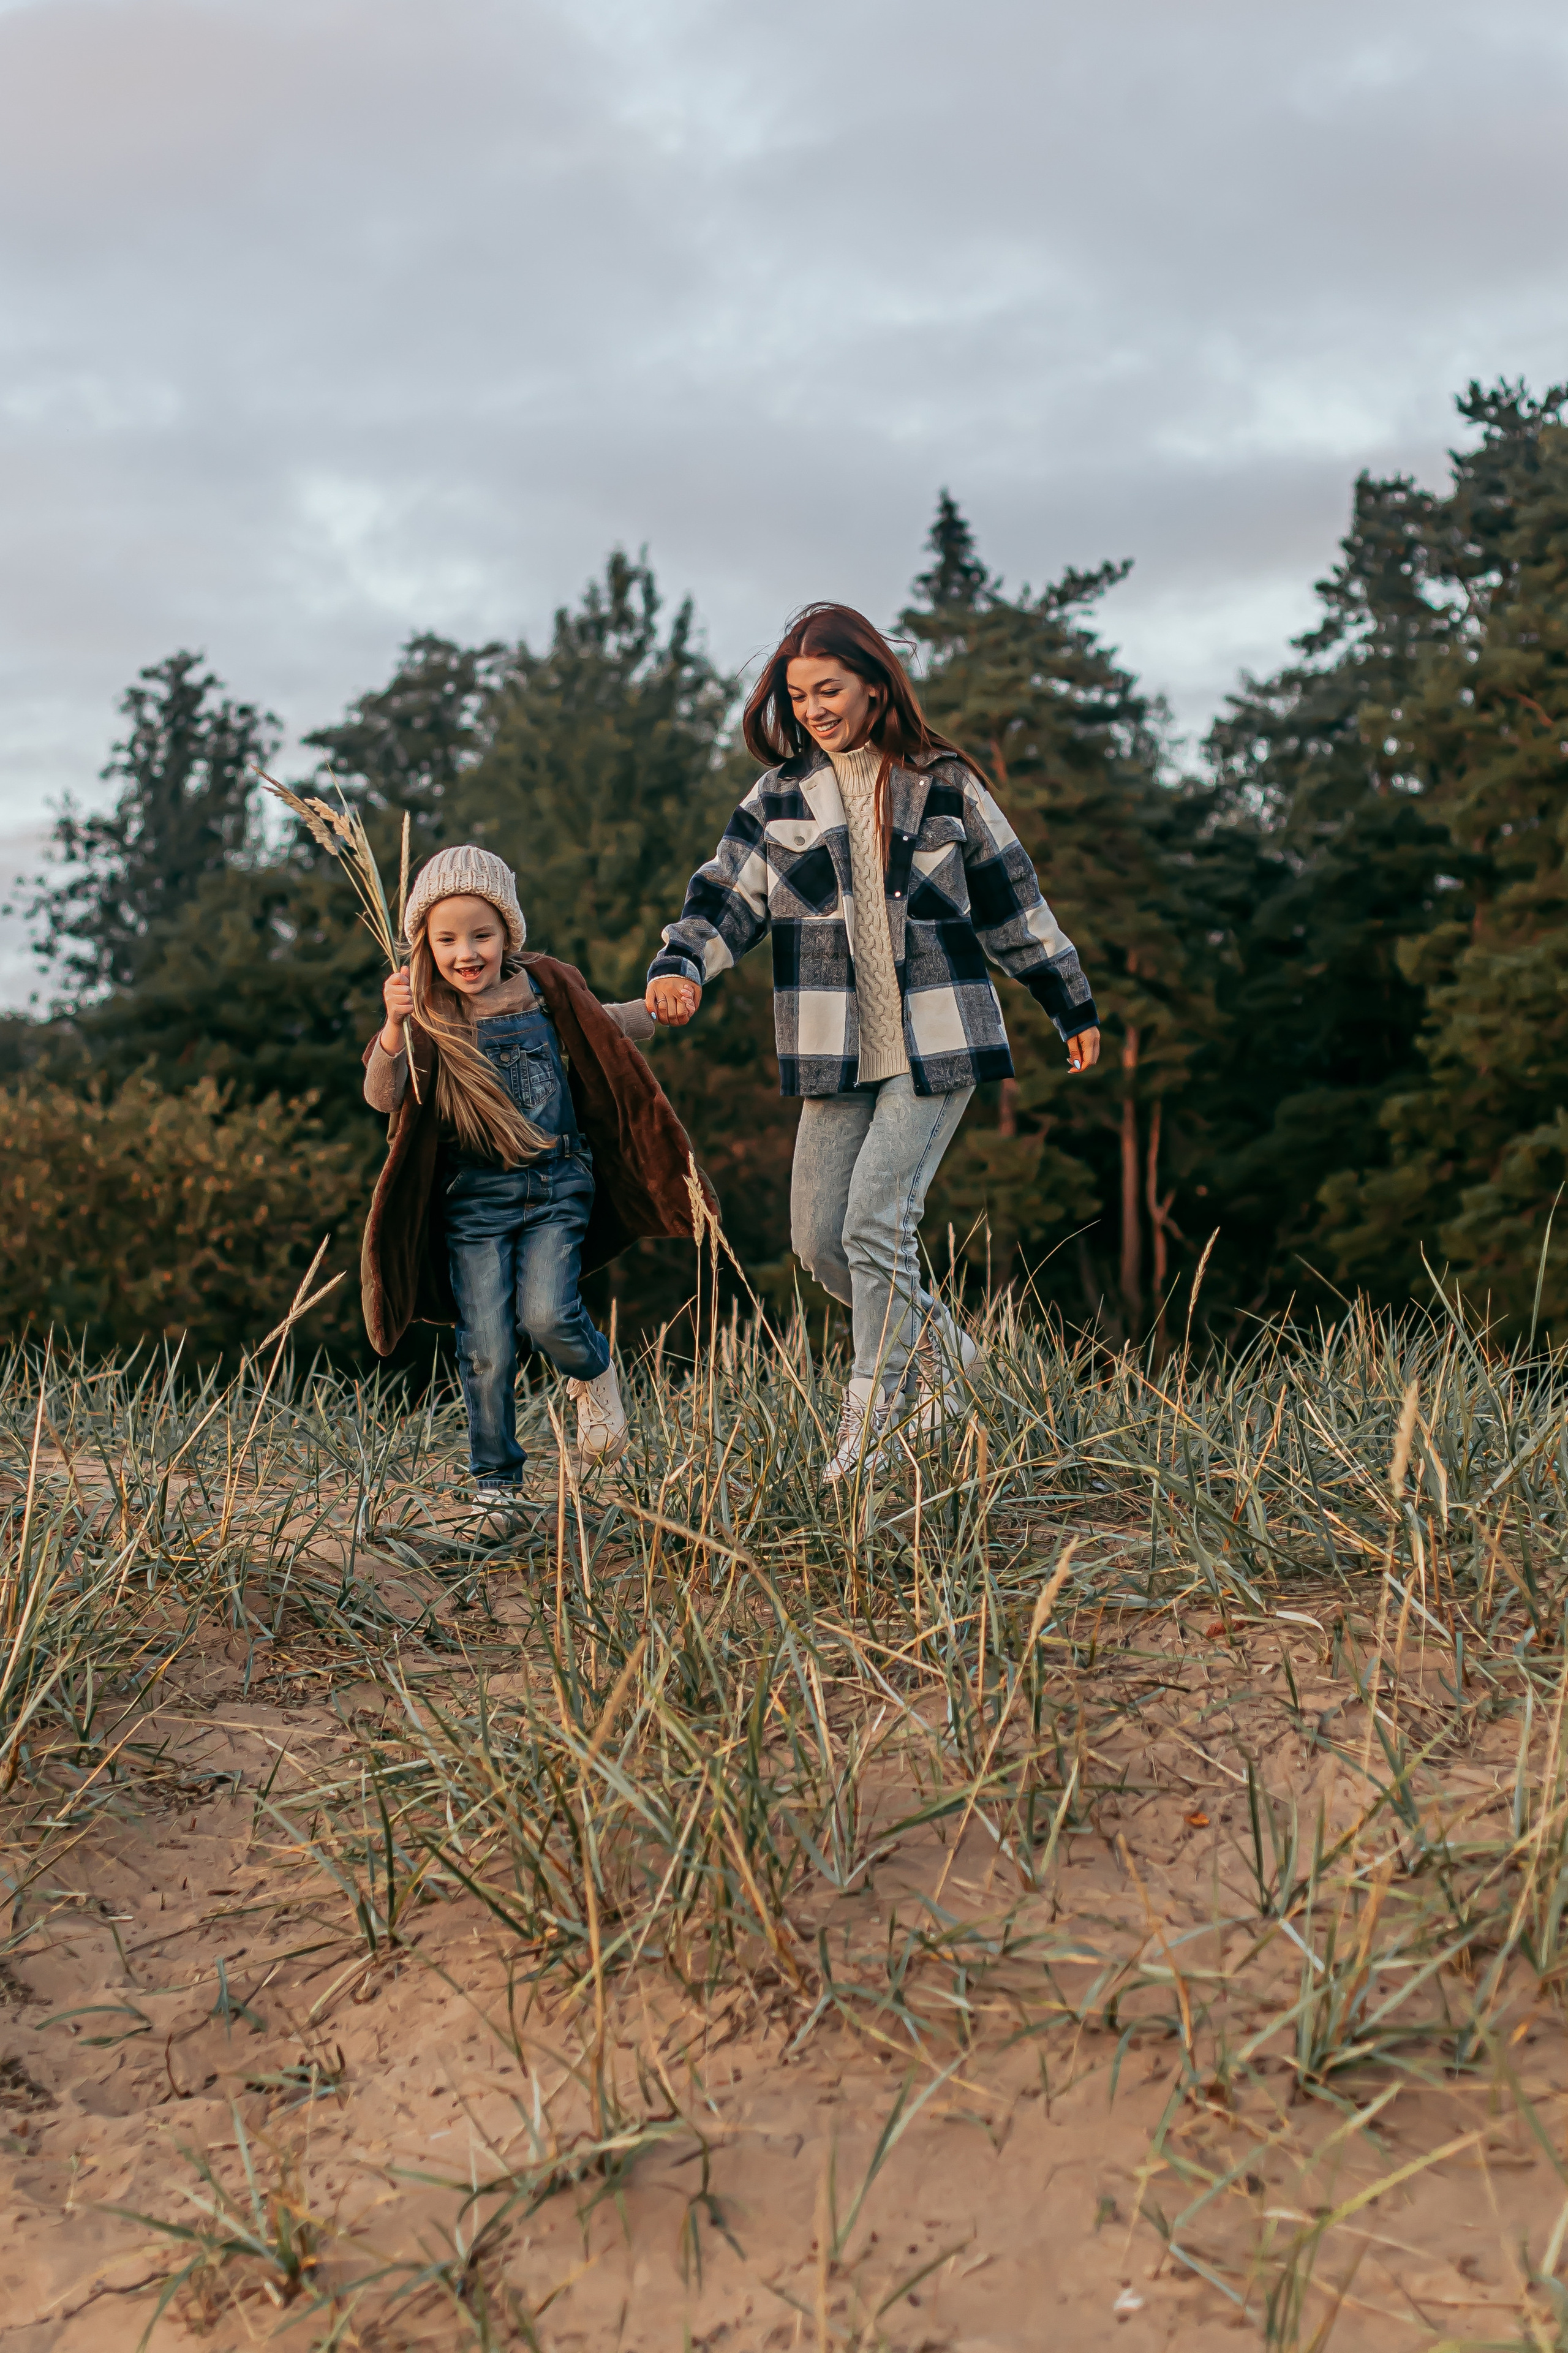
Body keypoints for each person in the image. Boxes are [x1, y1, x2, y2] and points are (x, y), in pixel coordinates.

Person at [646, 605, 1101, 1481]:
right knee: (821, 1240)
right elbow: (726, 896)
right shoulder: (779, 796)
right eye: (797, 695)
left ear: (874, 686)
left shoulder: (945, 783)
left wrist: (1069, 1002)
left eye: (829, 690)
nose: (813, 708)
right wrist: (683, 965)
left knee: (876, 1223)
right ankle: (950, 1358)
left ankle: (872, 1424)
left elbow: (1012, 900)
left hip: (939, 1039)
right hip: (835, 1050)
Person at [361, 844, 708, 1539]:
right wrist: (393, 1026)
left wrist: (658, 1008)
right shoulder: (426, 1017)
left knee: (547, 1314)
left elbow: (607, 1026)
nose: (467, 953)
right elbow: (381, 1095)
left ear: (508, 933)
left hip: (556, 1183)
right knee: (486, 1346)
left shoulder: (545, 990)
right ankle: (498, 1489)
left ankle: (594, 1370)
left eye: (481, 935)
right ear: (425, 944)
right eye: (447, 939)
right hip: (473, 1203)